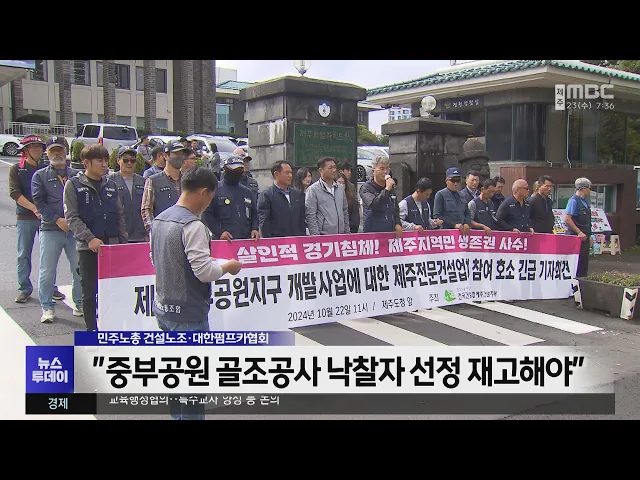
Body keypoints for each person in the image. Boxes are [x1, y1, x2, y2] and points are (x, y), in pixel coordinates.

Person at [150, 166, 242, 420]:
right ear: (203, 193)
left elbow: (156, 258)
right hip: (189, 312)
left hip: (164, 307)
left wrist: (204, 261)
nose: (208, 204)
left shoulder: (160, 220)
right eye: (210, 198)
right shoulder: (193, 225)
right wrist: (228, 266)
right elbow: (203, 273)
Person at [63, 144, 128, 331]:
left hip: (112, 246)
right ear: (86, 163)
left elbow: (119, 216)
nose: (104, 164)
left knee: (113, 291)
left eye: (106, 160)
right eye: (99, 160)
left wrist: (123, 244)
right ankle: (92, 330)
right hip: (88, 248)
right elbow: (72, 217)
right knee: (89, 292)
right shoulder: (73, 185)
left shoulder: (111, 185)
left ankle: (112, 327)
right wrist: (89, 238)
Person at [9, 135, 65, 304]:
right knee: (23, 254)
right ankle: (24, 288)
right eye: (33, 147)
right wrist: (34, 208)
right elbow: (15, 193)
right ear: (26, 150)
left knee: (49, 256)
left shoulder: (47, 168)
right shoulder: (17, 169)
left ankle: (50, 287)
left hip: (46, 218)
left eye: (40, 147)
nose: (37, 149)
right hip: (25, 217)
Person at [32, 136, 82, 323]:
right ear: (47, 153)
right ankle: (47, 307)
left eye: (60, 150)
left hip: (75, 231)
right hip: (50, 229)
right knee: (47, 270)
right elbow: (39, 202)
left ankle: (79, 303)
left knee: (79, 269)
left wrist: (74, 222)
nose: (57, 154)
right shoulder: (40, 176)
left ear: (66, 152)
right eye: (53, 150)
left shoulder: (77, 175)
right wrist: (57, 219)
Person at [202, 156, 260, 241]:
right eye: (234, 170)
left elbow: (254, 213)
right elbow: (206, 214)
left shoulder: (247, 192)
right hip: (223, 241)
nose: (237, 172)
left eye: (240, 170)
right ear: (225, 169)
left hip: (246, 241)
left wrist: (255, 229)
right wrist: (219, 232)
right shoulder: (215, 190)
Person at [141, 141, 189, 233]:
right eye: (176, 154)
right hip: (162, 233)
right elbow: (146, 210)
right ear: (165, 156)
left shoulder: (188, 181)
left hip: (185, 233)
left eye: (182, 154)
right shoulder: (153, 181)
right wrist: (153, 231)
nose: (180, 157)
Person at [258, 161, 306, 238]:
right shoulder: (267, 195)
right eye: (287, 173)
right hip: (277, 241)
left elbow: (302, 219)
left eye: (291, 173)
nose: (290, 175)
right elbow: (264, 222)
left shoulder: (297, 194)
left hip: (296, 240)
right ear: (276, 174)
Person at [110, 146, 147, 243]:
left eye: (132, 160)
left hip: (140, 236)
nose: (129, 163)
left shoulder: (143, 182)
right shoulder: (110, 181)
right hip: (118, 236)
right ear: (118, 161)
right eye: (125, 160)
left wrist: (147, 233)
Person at [305, 157, 350, 236]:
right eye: (330, 168)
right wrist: (316, 236)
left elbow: (345, 211)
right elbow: (311, 216)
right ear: (321, 170)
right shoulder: (313, 190)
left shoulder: (340, 188)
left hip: (341, 235)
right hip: (323, 236)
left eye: (335, 167)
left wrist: (347, 232)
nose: (334, 170)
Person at [359, 156, 402, 237]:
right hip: (373, 233)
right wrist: (386, 190)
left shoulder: (390, 187)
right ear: (373, 171)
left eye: (387, 168)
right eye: (382, 169)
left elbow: (395, 208)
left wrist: (397, 223)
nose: (385, 172)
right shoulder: (366, 188)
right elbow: (374, 205)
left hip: (389, 231)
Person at [564, 177, 593, 278]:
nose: (589, 191)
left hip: (585, 237)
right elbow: (567, 218)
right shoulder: (573, 201)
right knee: (576, 264)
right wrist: (579, 232)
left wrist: (589, 236)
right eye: (589, 188)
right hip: (576, 238)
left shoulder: (585, 202)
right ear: (584, 188)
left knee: (583, 264)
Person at [433, 167, 471, 235]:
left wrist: (466, 223)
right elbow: (437, 215)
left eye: (458, 181)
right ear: (446, 181)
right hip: (447, 232)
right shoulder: (440, 194)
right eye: (453, 180)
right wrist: (454, 225)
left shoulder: (462, 195)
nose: (455, 184)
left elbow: (467, 213)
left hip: (462, 231)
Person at [337, 161, 360, 233]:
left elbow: (355, 204)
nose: (349, 172)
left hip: (350, 223)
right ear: (341, 171)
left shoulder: (351, 186)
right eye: (347, 170)